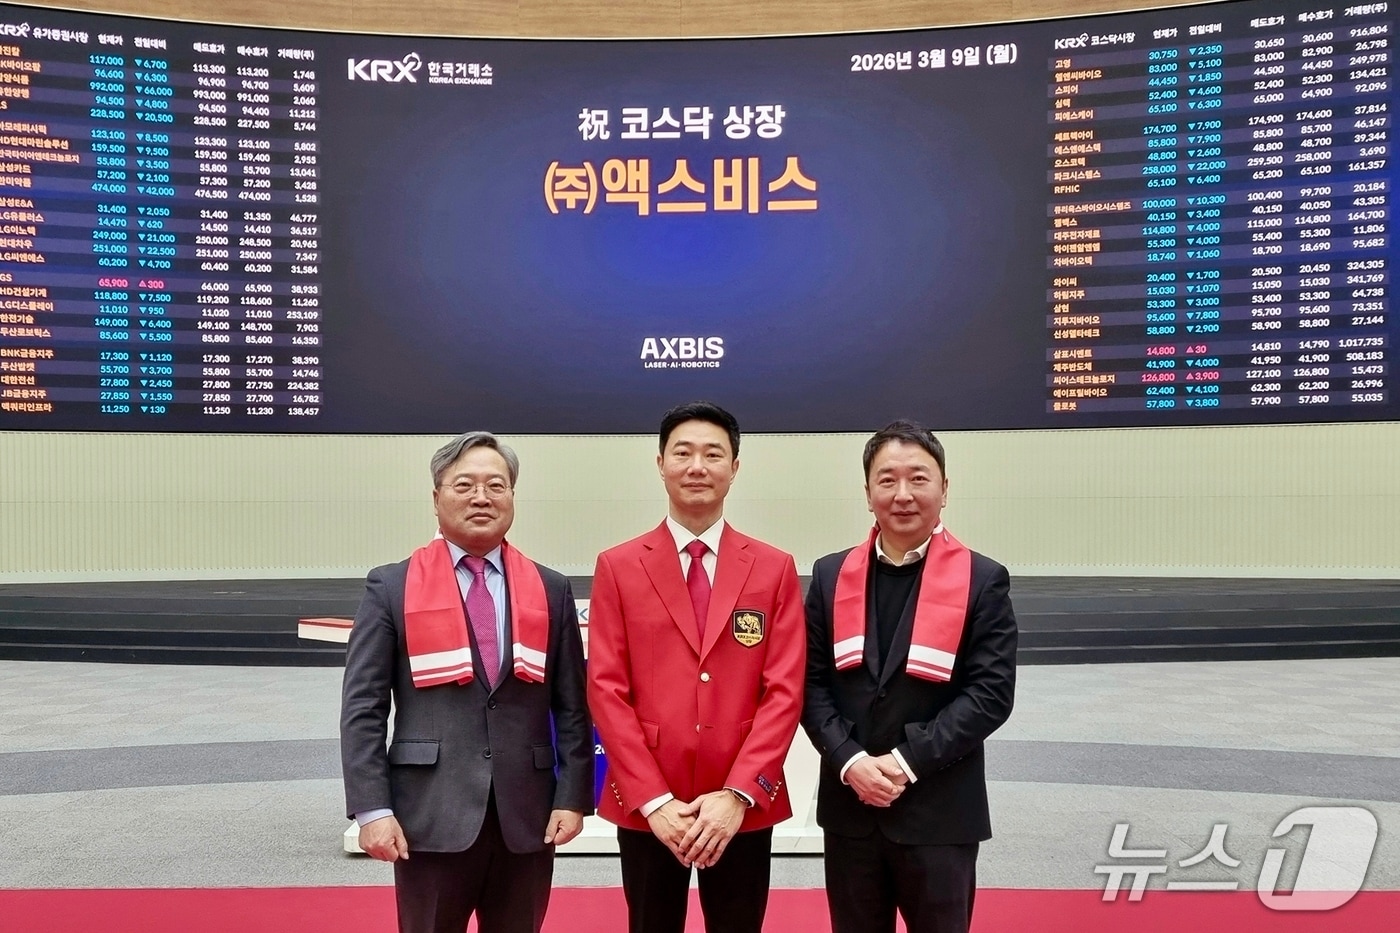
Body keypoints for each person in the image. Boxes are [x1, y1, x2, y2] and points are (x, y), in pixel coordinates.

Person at [340, 432, 593, 933]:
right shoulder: (391, 586)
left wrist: (572, 796)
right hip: (429, 816)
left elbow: (571, 706)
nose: (482, 497)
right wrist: (371, 809)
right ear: (436, 497)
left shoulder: (550, 588)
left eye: (496, 485)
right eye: (465, 485)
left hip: (527, 817)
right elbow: (363, 707)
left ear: (512, 496)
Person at [587, 400, 806, 933]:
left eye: (713, 454)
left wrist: (738, 794)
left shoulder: (773, 567)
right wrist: (653, 800)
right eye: (682, 453)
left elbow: (784, 690)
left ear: (735, 467)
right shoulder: (618, 566)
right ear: (660, 463)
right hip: (650, 806)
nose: (697, 466)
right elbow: (606, 688)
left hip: (741, 806)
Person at [801, 419, 1017, 933]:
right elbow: (808, 684)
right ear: (868, 493)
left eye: (918, 478)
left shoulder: (983, 579)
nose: (903, 494)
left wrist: (904, 763)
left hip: (939, 813)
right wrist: (850, 760)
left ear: (944, 488)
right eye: (887, 480)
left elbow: (990, 695)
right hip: (851, 811)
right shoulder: (830, 576)